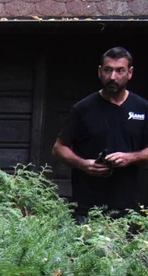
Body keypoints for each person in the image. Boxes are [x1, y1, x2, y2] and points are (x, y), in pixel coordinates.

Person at [53, 47, 148, 218]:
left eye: (120, 71)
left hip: (128, 207)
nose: (113, 77)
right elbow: (59, 148)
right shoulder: (82, 109)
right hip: (85, 206)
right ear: (99, 71)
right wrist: (84, 164)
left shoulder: (143, 108)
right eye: (108, 70)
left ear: (130, 73)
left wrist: (131, 157)